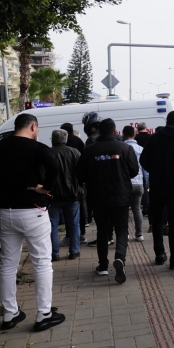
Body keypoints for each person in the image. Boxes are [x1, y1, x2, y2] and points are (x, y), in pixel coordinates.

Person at [0, 113, 66, 331]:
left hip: (5, 211)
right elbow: (54, 168)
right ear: (33, 127)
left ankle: (10, 313)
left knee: (8, 264)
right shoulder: (37, 149)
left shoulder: (2, 145)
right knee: (41, 262)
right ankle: (43, 313)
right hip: (32, 211)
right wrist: (45, 189)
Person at [77, 119, 139, 284]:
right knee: (121, 229)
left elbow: (80, 174)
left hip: (98, 197)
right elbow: (134, 170)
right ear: (114, 131)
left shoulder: (89, 150)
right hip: (121, 195)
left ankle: (103, 265)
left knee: (103, 230)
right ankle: (120, 258)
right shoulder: (125, 148)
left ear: (99, 130)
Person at [140, 111, 174, 269]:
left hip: (156, 185)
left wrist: (155, 171)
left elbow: (143, 160)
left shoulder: (153, 138)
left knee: (157, 221)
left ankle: (159, 254)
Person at [49, 129, 82, 261]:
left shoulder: (48, 153)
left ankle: (54, 252)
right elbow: (81, 172)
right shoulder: (75, 153)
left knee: (52, 225)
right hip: (72, 194)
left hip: (53, 194)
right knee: (74, 223)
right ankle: (74, 251)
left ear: (53, 139)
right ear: (66, 139)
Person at [122, 126, 145, 242]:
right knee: (137, 209)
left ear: (123, 134)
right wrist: (147, 183)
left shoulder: (122, 149)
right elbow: (145, 169)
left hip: (125, 184)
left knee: (124, 210)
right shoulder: (141, 149)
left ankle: (125, 234)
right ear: (135, 135)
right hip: (139, 182)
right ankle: (139, 234)